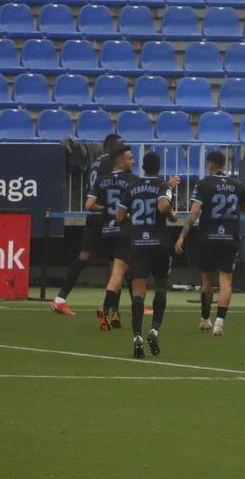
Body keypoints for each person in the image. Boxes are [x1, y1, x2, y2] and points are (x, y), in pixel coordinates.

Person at [175, 150, 245, 336]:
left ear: (210, 165)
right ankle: (219, 322)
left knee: (207, 280)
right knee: (226, 282)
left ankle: (205, 319)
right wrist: (244, 203)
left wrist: (182, 235)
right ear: (223, 165)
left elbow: (194, 213)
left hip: (208, 238)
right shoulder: (237, 184)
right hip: (230, 238)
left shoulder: (204, 184)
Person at [115, 151, 179, 358]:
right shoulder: (163, 185)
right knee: (161, 287)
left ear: (142, 166)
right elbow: (163, 206)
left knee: (138, 290)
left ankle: (136, 336)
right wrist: (172, 215)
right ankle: (154, 329)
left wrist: (133, 219)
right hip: (160, 242)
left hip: (138, 243)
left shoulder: (131, 187)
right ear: (158, 167)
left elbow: (118, 217)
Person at [51, 133, 124, 316]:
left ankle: (60, 299)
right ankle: (114, 308)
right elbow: (114, 188)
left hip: (93, 215)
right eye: (122, 147)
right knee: (119, 261)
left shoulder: (96, 162)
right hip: (106, 215)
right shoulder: (111, 164)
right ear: (114, 147)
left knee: (84, 257)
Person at [86, 144, 136, 331]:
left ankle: (115, 312)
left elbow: (89, 204)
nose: (133, 161)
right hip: (125, 231)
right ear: (120, 162)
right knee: (119, 274)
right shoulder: (133, 180)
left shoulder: (101, 180)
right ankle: (105, 307)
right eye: (130, 158)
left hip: (107, 231)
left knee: (116, 272)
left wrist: (105, 208)